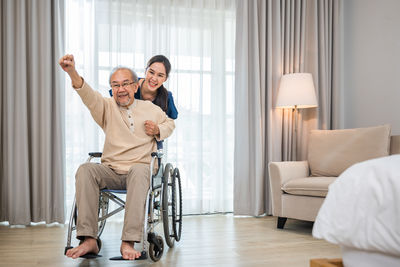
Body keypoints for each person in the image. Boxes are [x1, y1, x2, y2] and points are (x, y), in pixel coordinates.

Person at [59, 54, 175, 260]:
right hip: (112, 170)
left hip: (139, 170)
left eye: (125, 84)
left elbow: (170, 124)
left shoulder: (151, 109)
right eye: (115, 85)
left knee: (140, 169)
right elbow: (86, 94)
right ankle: (88, 239)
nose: (121, 89)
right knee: (86, 169)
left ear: (135, 86)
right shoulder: (105, 107)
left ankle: (128, 242)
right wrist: (72, 72)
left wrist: (158, 129)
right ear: (112, 89)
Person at [136, 55, 178, 119]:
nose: (154, 79)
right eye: (151, 72)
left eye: (160, 75)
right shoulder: (130, 85)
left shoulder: (167, 96)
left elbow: (173, 117)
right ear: (145, 71)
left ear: (165, 79)